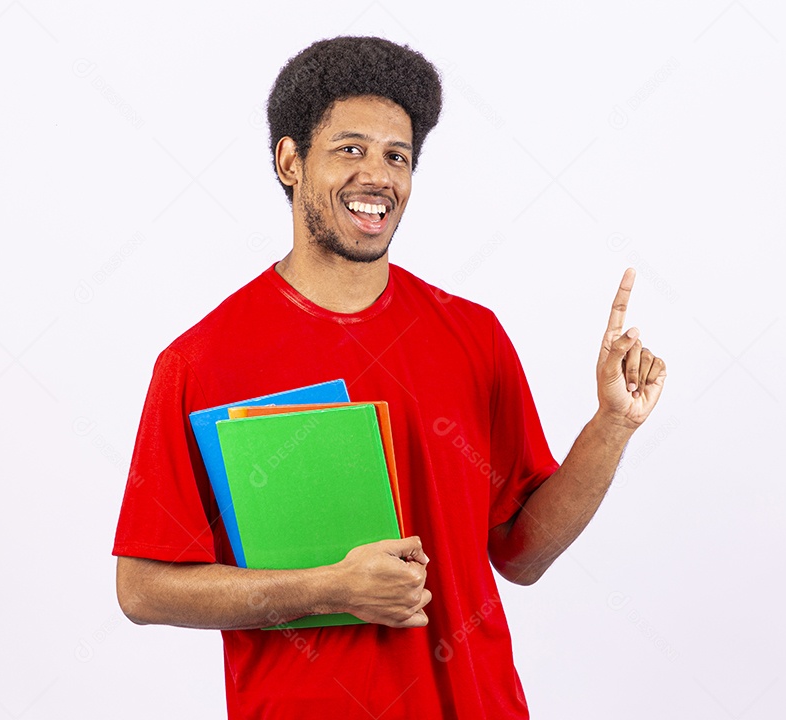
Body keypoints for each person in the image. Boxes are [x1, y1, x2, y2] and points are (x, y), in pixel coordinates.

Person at [112, 36, 665, 719]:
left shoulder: (473, 337)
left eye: (396, 156)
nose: (378, 176)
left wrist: (611, 426)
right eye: (350, 149)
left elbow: (521, 552)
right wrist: (326, 589)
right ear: (290, 161)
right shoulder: (199, 361)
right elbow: (141, 588)